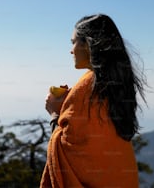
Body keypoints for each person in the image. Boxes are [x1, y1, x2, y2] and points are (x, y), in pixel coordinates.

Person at [40, 14, 147, 187]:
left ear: (88, 44)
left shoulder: (87, 87)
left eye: (73, 42)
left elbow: (67, 152)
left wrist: (54, 112)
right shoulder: (116, 84)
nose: (71, 50)